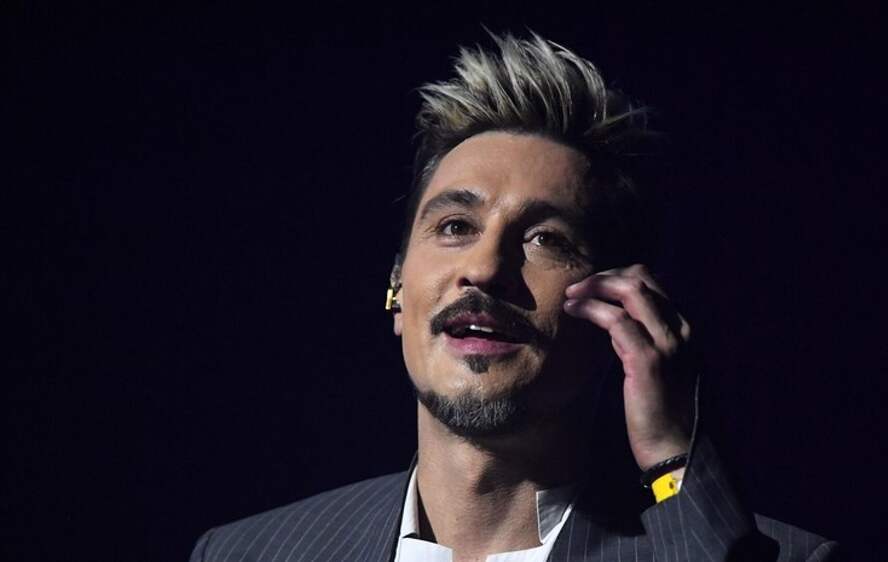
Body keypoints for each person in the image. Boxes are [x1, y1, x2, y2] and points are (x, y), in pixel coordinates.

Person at [190, 32, 841, 562]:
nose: (483, 268)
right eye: (455, 226)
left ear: (620, 309)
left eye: (545, 239)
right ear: (396, 289)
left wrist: (674, 463)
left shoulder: (773, 556)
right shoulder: (244, 553)